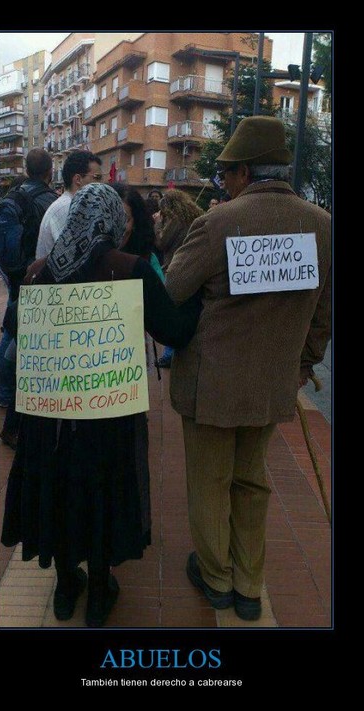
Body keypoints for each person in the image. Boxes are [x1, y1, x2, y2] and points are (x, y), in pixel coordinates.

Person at [1, 183, 201, 628]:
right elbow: (174, 331)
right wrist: (202, 300)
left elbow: (14, 325)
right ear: (109, 221)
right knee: (101, 490)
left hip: (48, 417)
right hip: (107, 414)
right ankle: (98, 591)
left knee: (57, 487)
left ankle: (65, 584)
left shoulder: (38, 272)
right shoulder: (129, 269)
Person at [165, 116, 331, 621]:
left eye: (225, 173)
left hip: (211, 385)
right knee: (252, 481)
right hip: (273, 382)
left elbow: (173, 289)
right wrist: (303, 365)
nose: (223, 182)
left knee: (210, 482)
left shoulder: (217, 223)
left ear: (242, 172)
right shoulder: (324, 225)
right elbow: (324, 313)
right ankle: (248, 584)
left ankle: (216, 577)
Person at [0, 150, 57, 449]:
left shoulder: (14, 195)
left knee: (11, 327)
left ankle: (4, 394)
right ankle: (13, 398)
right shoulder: (49, 200)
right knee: (20, 335)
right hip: (34, 276)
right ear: (49, 171)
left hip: (13, 272)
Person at [154, 190, 203, 368]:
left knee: (172, 310)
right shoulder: (195, 217)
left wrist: (157, 224)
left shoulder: (176, 220)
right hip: (192, 268)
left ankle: (169, 354)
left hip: (175, 267)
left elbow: (161, 243)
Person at [36, 151, 103, 259]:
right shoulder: (67, 208)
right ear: (78, 179)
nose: (102, 183)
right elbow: (74, 258)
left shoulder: (71, 205)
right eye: (97, 177)